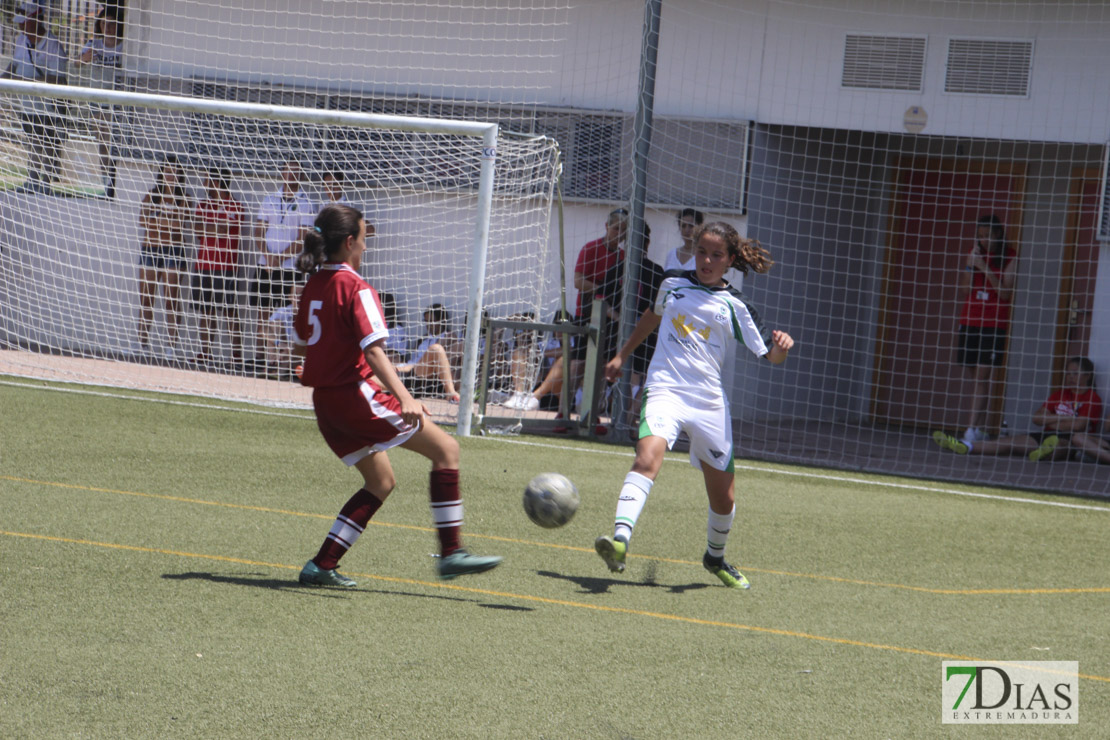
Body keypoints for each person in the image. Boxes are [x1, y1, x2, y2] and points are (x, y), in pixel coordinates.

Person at [291, 203, 501, 586]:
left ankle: (322, 564)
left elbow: (301, 347)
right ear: (350, 242)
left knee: (381, 482)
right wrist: (405, 396)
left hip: (326, 403)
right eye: (365, 238)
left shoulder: (312, 286)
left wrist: (318, 366)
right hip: (355, 397)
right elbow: (373, 350)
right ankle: (452, 552)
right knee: (447, 451)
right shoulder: (357, 287)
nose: (367, 247)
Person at [595, 222, 794, 590]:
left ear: (730, 260)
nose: (706, 260)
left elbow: (771, 355)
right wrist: (623, 356)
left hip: (708, 402)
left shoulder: (736, 305)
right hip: (665, 389)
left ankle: (714, 557)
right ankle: (620, 540)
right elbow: (653, 316)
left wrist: (781, 346)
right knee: (646, 457)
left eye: (716, 255)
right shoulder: (672, 282)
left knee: (724, 497)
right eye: (702, 251)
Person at [933, 356, 1103, 462]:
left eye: (1075, 373)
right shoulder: (1059, 394)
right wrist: (1066, 419)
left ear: (1087, 376)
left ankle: (1044, 453)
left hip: (1071, 439)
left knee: (1059, 447)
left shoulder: (1092, 398)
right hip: (1046, 434)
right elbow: (1037, 419)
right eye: (1068, 373)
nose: (1070, 377)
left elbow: (1079, 426)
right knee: (1008, 443)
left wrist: (1053, 418)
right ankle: (966, 446)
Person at [954, 214, 1018, 445]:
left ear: (998, 234)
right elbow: (964, 289)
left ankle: (970, 430)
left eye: (988, 236)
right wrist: (972, 265)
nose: (984, 240)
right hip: (970, 320)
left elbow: (1005, 293)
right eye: (980, 236)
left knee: (983, 375)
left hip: (993, 324)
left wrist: (985, 268)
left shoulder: (1010, 257)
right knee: (977, 378)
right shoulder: (974, 253)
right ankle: (978, 427)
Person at [251, 160, 315, 372]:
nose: (291, 174)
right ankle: (262, 357)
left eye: (296, 171)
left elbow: (303, 237)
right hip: (265, 265)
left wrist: (278, 258)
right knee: (263, 309)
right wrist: (268, 256)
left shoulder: (306, 202)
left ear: (301, 176)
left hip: (290, 268)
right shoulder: (270, 199)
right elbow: (259, 230)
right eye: (288, 170)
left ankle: (288, 360)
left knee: (288, 312)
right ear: (282, 173)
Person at [2, 1, 68, 194]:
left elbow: (59, 78)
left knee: (46, 143)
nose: (21, 26)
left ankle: (45, 182)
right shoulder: (21, 41)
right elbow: (13, 66)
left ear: (35, 20)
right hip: (27, 105)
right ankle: (32, 179)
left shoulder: (53, 45)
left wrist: (30, 81)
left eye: (24, 21)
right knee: (32, 141)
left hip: (48, 107)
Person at [136, 155, 191, 361]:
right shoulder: (152, 195)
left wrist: (158, 220)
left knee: (171, 300)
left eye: (174, 171)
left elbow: (180, 225)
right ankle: (140, 344)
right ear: (161, 174)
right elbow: (143, 221)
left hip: (173, 252)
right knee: (146, 299)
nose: (170, 175)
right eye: (167, 171)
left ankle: (172, 347)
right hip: (150, 250)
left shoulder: (184, 198)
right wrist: (166, 220)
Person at [192, 167, 244, 369]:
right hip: (203, 264)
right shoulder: (203, 205)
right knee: (206, 311)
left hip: (226, 266)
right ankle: (205, 353)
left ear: (216, 182)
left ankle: (236, 356)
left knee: (229, 311)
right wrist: (213, 227)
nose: (204, 183)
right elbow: (196, 229)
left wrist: (209, 226)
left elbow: (226, 232)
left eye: (207, 180)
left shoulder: (236, 206)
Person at [73, 5, 123, 198]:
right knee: (102, 145)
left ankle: (115, 184)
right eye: (104, 23)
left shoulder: (123, 46)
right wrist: (83, 59)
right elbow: (76, 63)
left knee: (114, 143)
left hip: (116, 103)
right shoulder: (94, 44)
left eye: (111, 24)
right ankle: (106, 184)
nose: (107, 27)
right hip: (97, 102)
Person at [261, 282, 300, 380]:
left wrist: (285, 350)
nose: (299, 298)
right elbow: (263, 331)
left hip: (300, 358)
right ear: (290, 297)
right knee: (275, 324)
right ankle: (274, 368)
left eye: (302, 295)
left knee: (292, 348)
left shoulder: (310, 313)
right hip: (283, 354)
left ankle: (274, 371)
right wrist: (279, 343)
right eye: (296, 295)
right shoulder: (283, 311)